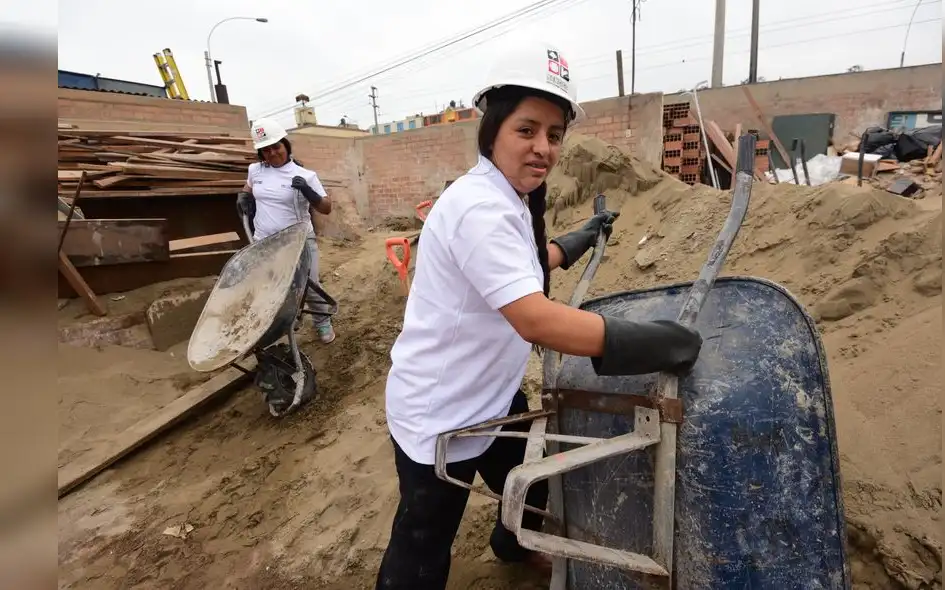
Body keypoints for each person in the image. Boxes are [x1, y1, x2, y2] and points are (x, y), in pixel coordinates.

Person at [374, 42, 703, 590]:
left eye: (554, 135)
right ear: (493, 130)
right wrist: (655, 342)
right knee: (423, 542)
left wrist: (574, 242)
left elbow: (519, 267)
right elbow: (536, 319)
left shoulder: (506, 197)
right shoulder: (479, 206)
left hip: (491, 397)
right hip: (440, 413)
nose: (542, 148)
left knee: (524, 489)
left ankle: (513, 546)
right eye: (526, 130)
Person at [237, 117, 336, 344]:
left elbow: (326, 207)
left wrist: (308, 192)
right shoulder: (255, 170)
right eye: (265, 150)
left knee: (309, 285)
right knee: (276, 286)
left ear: (285, 145)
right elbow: (249, 188)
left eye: (276, 147)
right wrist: (243, 196)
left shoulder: (305, 175)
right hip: (265, 242)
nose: (272, 153)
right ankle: (290, 320)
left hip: (299, 241)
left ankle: (322, 323)